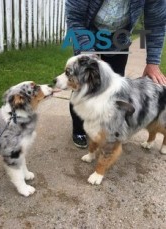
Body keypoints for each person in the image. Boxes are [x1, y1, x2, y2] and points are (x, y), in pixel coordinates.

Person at [65, 0, 166, 148]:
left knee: (115, 91)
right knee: (83, 87)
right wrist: (88, 58)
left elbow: (156, 23)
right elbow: (75, 18)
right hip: (86, 35)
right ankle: (79, 128)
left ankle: (108, 127)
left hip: (119, 40)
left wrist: (153, 62)